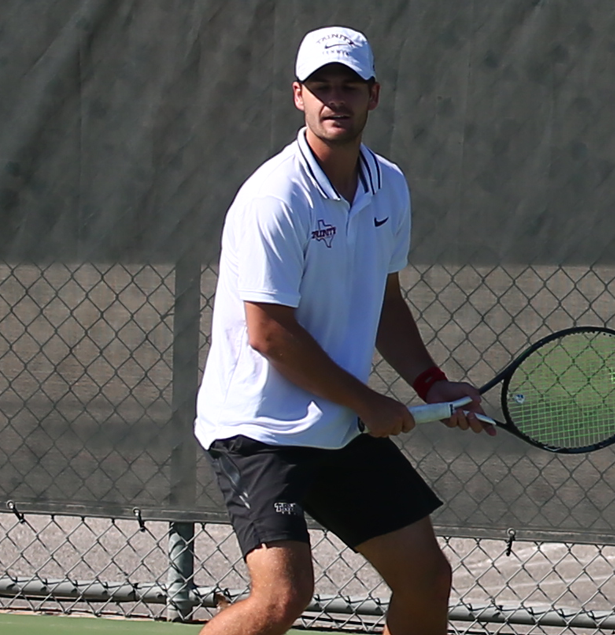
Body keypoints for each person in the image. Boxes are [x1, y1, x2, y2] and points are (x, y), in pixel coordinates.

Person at [194, 26, 495, 635]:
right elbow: (269, 335)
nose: (337, 99)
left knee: (427, 580)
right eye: (322, 87)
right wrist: (370, 402)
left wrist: (431, 382)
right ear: (298, 96)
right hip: (260, 428)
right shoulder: (274, 197)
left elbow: (384, 300)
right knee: (283, 596)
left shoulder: (390, 185)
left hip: (339, 421)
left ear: (373, 96)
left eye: (349, 87)